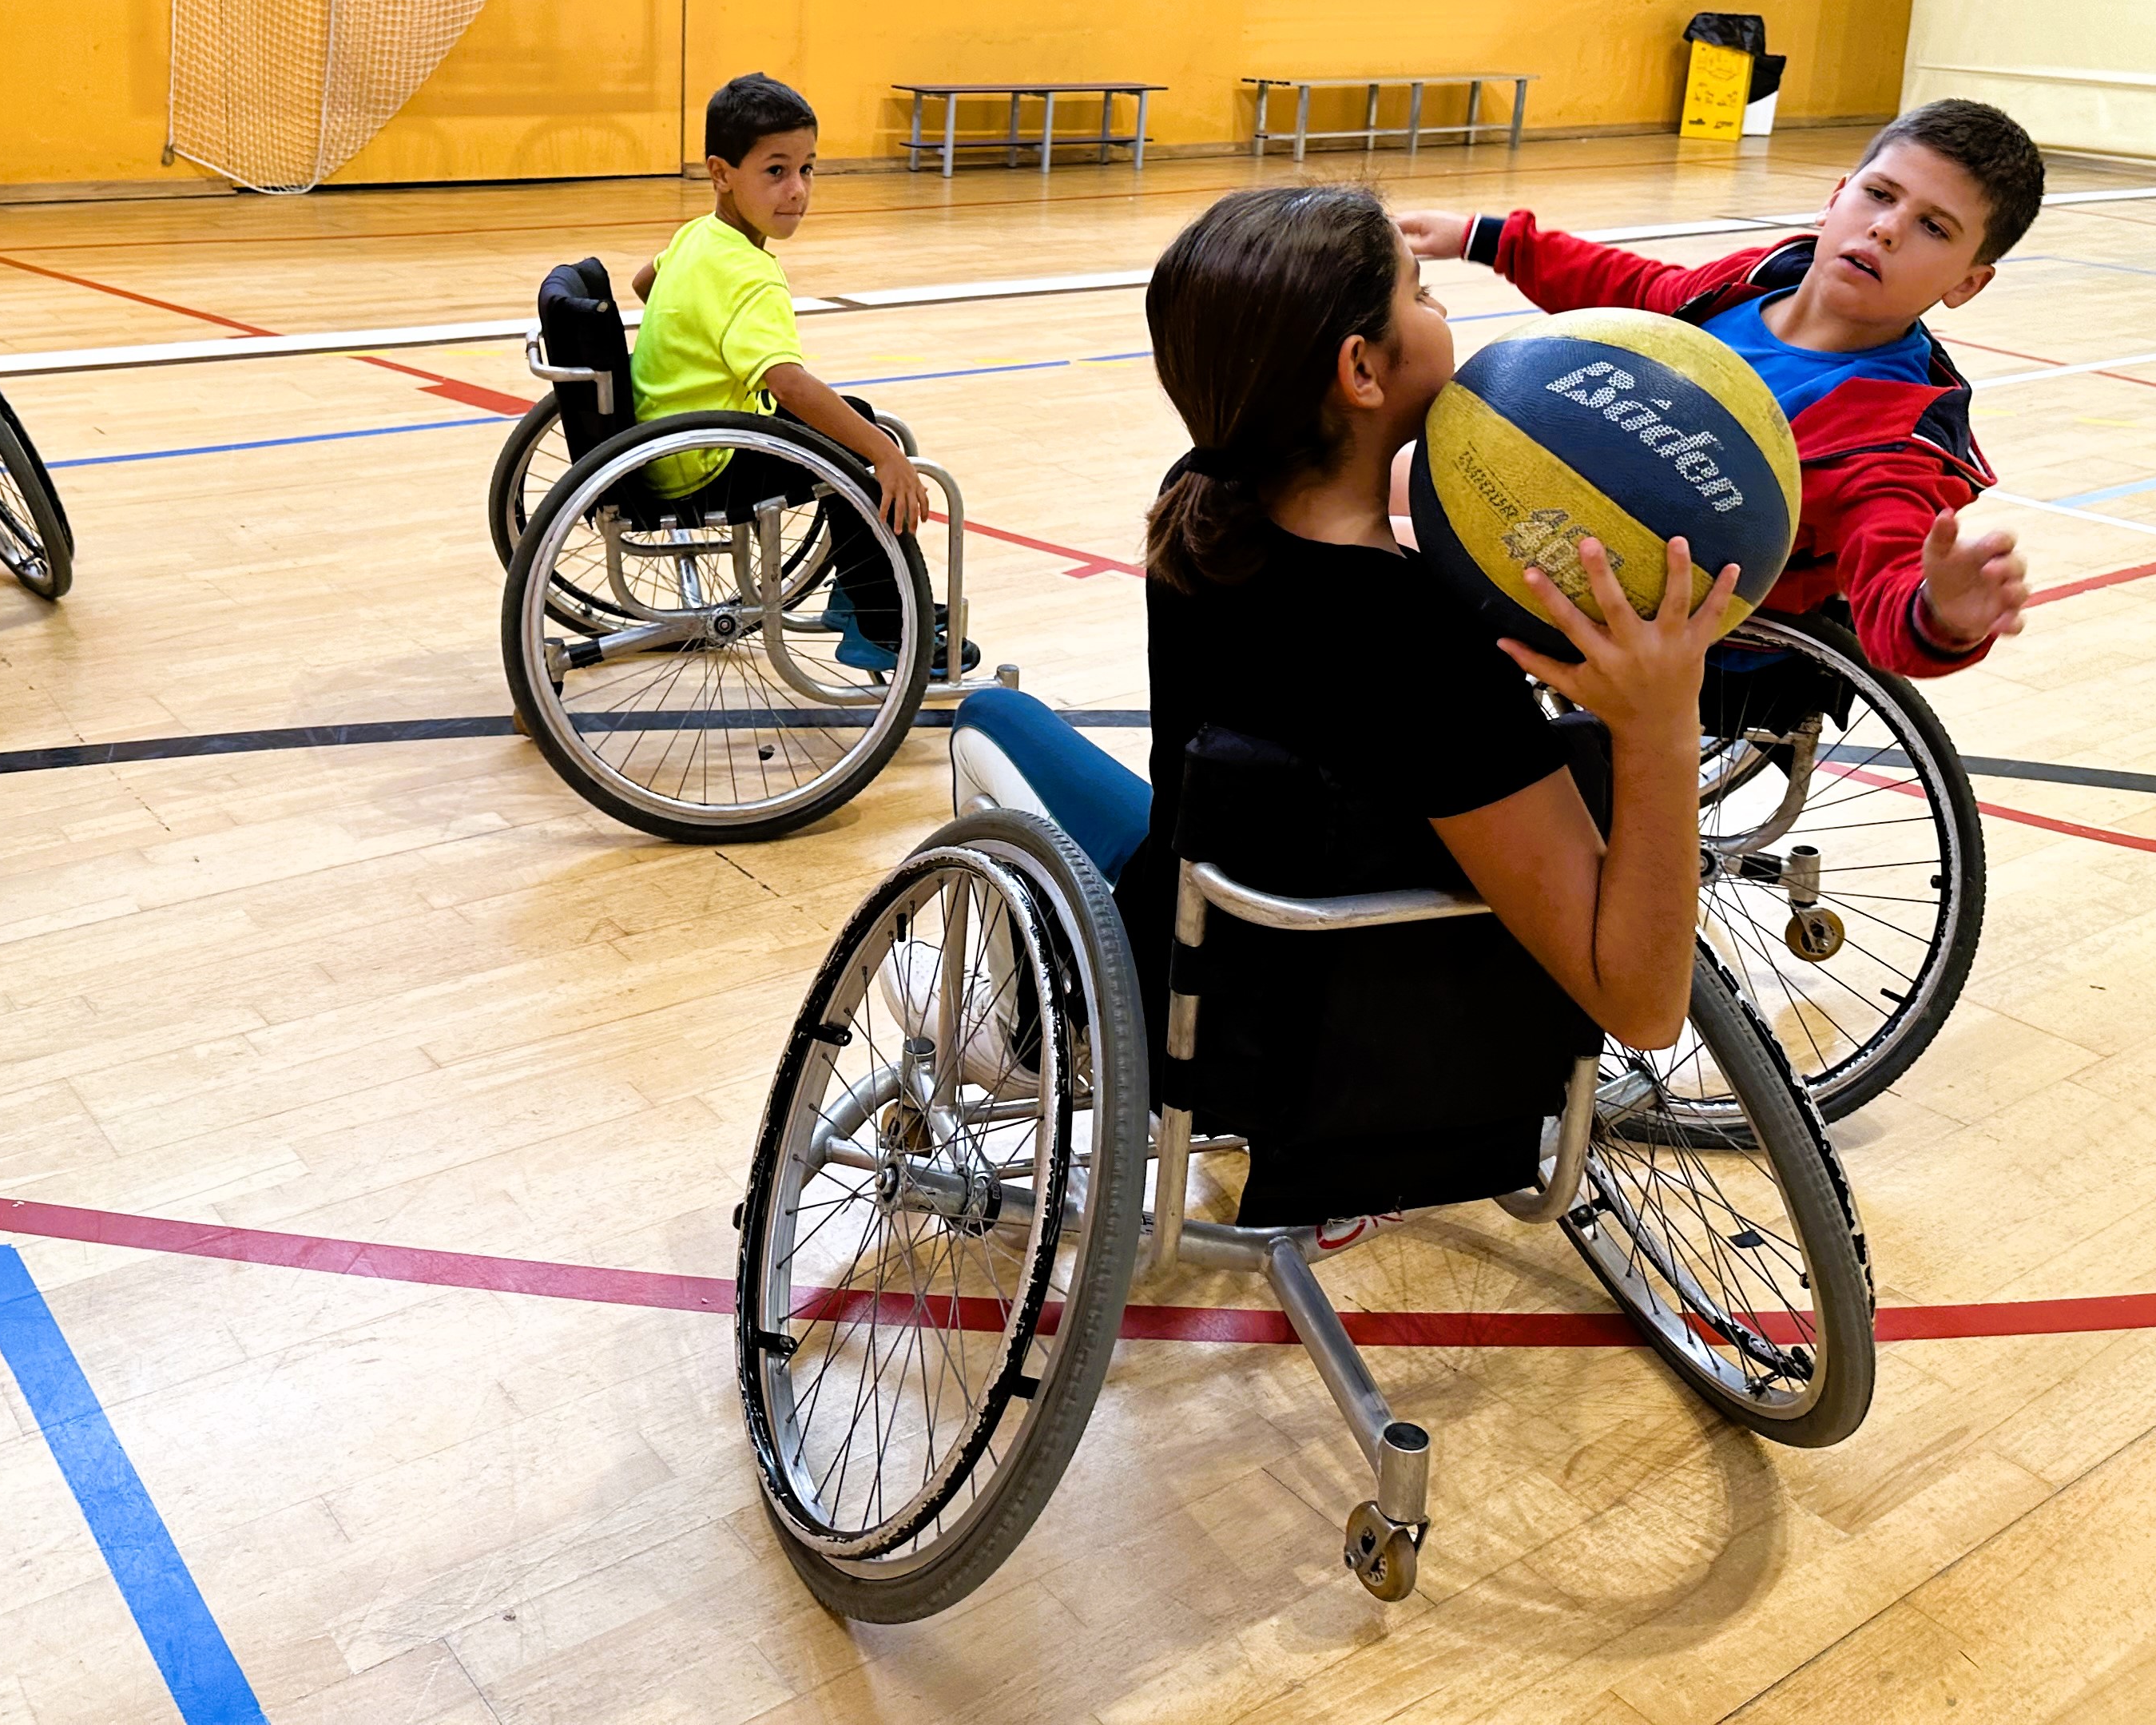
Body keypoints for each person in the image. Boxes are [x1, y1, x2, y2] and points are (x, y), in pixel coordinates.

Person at [963, 185, 1729, 1228]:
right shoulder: (1429, 647)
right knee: (1005, 728)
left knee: (992, 722)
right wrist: (1660, 727)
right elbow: (1642, 1006)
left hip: (1198, 997)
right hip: (1371, 1055)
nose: (1446, 313)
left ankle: (1015, 1029)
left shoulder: (1200, 504)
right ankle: (1026, 1023)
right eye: (1423, 293)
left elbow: (1353, 565)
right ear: (1362, 369)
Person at [1398, 97, 2043, 680]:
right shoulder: (1754, 282)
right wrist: (1488, 238)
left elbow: (1890, 574)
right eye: (1880, 194)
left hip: (1676, 634)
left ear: (1967, 283)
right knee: (1387, 467)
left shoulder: (1893, 435)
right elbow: (1639, 292)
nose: (1888, 229)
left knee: (1382, 545)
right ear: (1837, 196)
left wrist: (1941, 615)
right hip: (1589, 514)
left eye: (1935, 227)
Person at [629, 72, 973, 677]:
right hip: (707, 458)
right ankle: (883, 630)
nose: (797, 190)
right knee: (863, 458)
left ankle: (862, 597)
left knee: (857, 421)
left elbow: (643, 284)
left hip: (669, 434)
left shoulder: (697, 238)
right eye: (776, 171)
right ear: (720, 172)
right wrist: (886, 458)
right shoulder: (751, 273)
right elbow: (788, 383)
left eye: (807, 169)